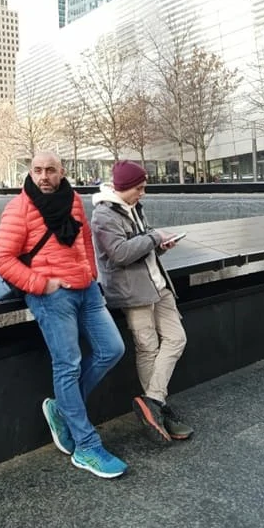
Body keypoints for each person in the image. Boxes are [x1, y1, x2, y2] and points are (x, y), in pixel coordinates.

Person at [0, 150, 127, 479]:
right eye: (37, 170)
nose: (43, 177)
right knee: (68, 364)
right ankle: (85, 446)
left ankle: (61, 409)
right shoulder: (19, 209)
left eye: (50, 170)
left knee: (113, 349)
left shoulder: (75, 201)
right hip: (52, 297)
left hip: (86, 290)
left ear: (62, 171)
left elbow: (83, 239)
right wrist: (41, 284)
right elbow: (1, 259)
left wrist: (91, 274)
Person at [91, 160, 193, 445]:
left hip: (158, 285)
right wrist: (153, 237)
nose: (143, 193)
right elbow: (120, 254)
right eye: (140, 187)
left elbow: (142, 248)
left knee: (176, 339)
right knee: (147, 347)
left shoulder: (134, 207)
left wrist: (159, 246)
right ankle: (159, 411)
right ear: (124, 188)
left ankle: (153, 402)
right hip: (132, 293)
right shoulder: (103, 216)